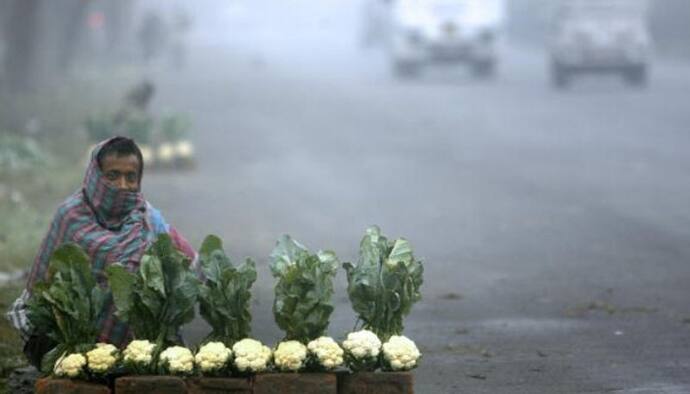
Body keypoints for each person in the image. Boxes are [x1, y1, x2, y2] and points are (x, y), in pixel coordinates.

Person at [6, 136, 197, 368]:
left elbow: (190, 261)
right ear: (96, 176)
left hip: (137, 345)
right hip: (71, 339)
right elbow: (40, 287)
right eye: (113, 176)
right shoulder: (70, 217)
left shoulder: (148, 219)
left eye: (131, 177)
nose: (123, 185)